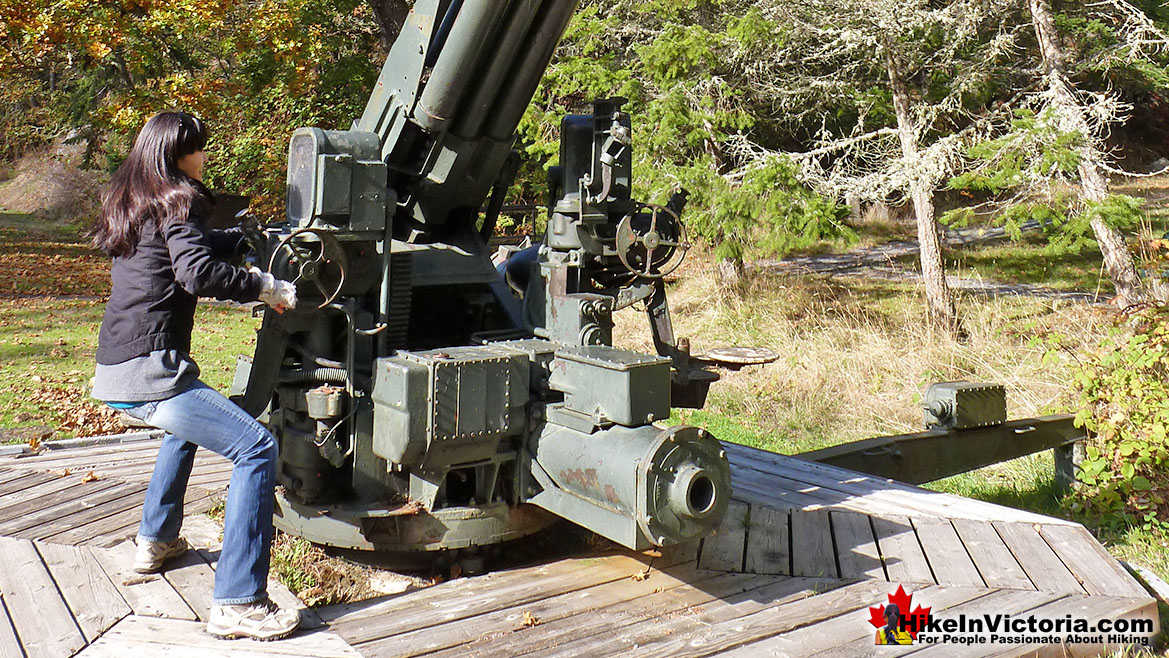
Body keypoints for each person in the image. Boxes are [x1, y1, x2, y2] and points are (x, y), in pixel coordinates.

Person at [90, 111, 301, 641]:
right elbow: (195, 271)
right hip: (150, 371)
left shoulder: (136, 200)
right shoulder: (179, 199)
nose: (205, 157)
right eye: (198, 149)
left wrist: (242, 239)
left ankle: (154, 540)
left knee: (186, 426)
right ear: (177, 155)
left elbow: (187, 248)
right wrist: (263, 285)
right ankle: (237, 601)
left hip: (117, 363)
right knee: (255, 448)